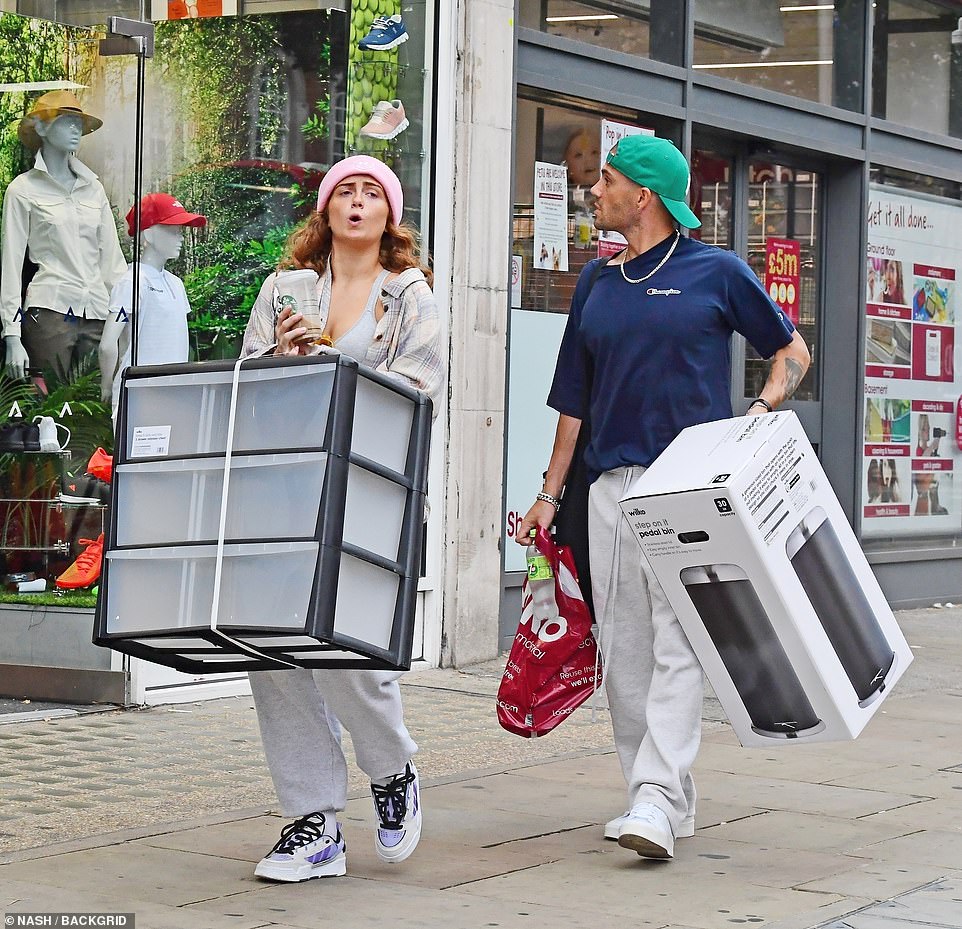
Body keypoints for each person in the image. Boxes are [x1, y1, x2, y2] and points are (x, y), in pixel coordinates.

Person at [516, 134, 811, 861]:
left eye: (605, 179)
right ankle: (657, 796)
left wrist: (762, 411)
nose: (593, 188)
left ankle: (655, 793)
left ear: (642, 194)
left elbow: (792, 350)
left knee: (682, 641)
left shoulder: (718, 272)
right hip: (608, 488)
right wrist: (549, 497)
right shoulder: (594, 284)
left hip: (690, 484)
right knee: (626, 652)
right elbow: (573, 404)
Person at [240, 154, 444, 883]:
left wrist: (329, 360)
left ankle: (391, 767)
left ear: (389, 215)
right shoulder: (283, 288)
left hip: (368, 492)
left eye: (372, 193)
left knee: (345, 644)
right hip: (288, 487)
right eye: (344, 192)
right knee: (275, 651)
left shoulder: (411, 295)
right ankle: (314, 821)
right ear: (324, 211)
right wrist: (285, 357)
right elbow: (247, 386)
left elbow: (417, 391)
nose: (357, 202)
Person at [1, 90, 127, 380]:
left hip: (97, 314)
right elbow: (11, 265)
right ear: (43, 128)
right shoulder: (23, 190)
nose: (75, 129)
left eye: (78, 123)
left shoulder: (93, 188)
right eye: (65, 120)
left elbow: (112, 261)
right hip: (49, 313)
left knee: (94, 411)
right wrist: (12, 335)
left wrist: (124, 319)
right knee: (50, 411)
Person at [99, 193, 207, 417]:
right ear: (148, 233)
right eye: (172, 229)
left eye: (181, 231)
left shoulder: (175, 284)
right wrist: (107, 386)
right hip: (138, 394)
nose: (180, 237)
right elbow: (107, 345)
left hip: (174, 394)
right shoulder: (132, 282)